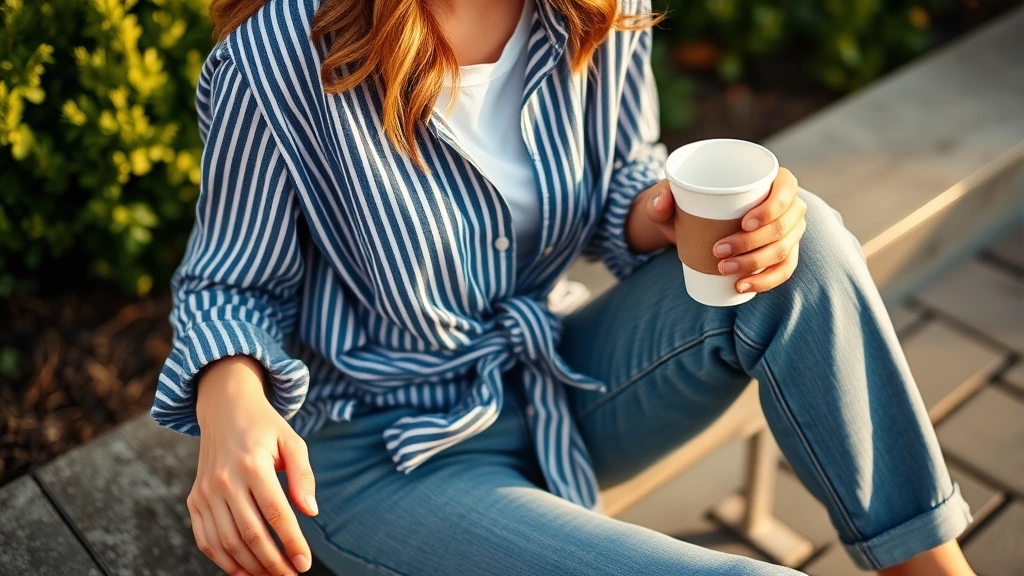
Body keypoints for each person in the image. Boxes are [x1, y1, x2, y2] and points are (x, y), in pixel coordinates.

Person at [152, 0, 978, 574]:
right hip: (383, 455)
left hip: (554, 379)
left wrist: (673, 214)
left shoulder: (595, 7)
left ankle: (928, 565)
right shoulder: (279, 58)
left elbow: (622, 176)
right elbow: (230, 282)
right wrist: (231, 405)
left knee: (807, 246)